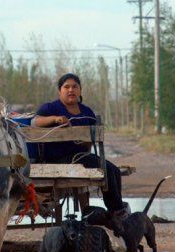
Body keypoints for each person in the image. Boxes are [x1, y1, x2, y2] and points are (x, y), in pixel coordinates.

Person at [32, 73, 127, 218]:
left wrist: (84, 141)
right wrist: (55, 119)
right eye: (66, 87)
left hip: (81, 157)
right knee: (106, 168)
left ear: (80, 90)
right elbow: (35, 122)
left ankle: (116, 210)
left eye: (74, 87)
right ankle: (117, 211)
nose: (71, 90)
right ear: (60, 91)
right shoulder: (50, 108)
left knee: (113, 170)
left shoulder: (87, 112)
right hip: (58, 160)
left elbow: (91, 141)